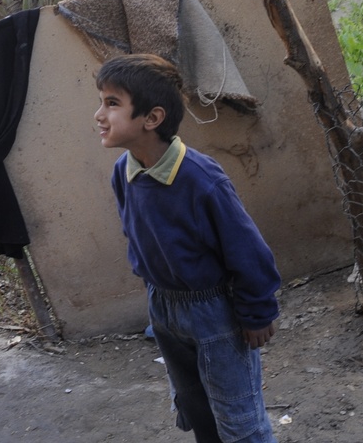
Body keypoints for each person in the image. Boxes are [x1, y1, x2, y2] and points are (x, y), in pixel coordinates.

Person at [94, 53, 280, 443]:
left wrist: (257, 312)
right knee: (195, 405)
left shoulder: (200, 179)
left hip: (213, 313)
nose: (99, 114)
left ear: (152, 118)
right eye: (102, 101)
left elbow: (248, 250)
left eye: (112, 104)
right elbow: (137, 236)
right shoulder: (123, 173)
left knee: (238, 417)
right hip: (162, 306)